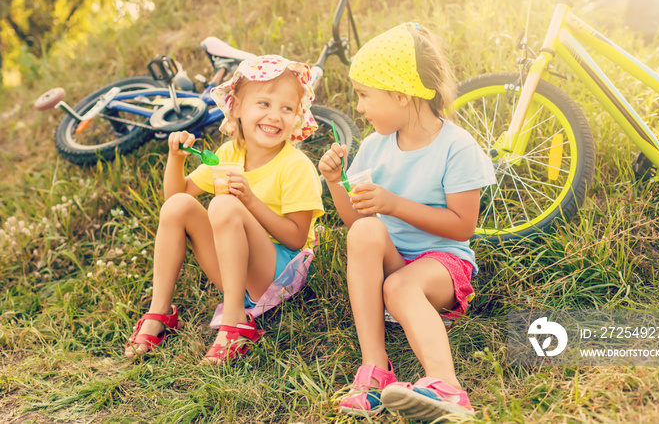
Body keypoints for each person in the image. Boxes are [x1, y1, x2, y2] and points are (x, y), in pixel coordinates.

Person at [318, 22, 495, 420]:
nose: (359, 107)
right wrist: (335, 182)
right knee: (368, 231)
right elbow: (357, 226)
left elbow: (462, 226)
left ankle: (447, 387)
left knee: (399, 285)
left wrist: (394, 204)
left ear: (401, 94)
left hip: (443, 268)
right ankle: (375, 370)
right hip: (394, 261)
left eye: (364, 95)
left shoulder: (457, 146)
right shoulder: (375, 147)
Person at [124, 55, 324, 365]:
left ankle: (235, 322)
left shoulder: (295, 166)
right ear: (237, 109)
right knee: (181, 206)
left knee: (224, 202)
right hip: (236, 271)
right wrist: (175, 158)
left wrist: (251, 202)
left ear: (297, 117)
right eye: (264, 104)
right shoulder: (229, 153)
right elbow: (175, 199)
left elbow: (297, 239)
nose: (275, 116)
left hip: (277, 274)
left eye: (287, 108)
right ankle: (159, 312)